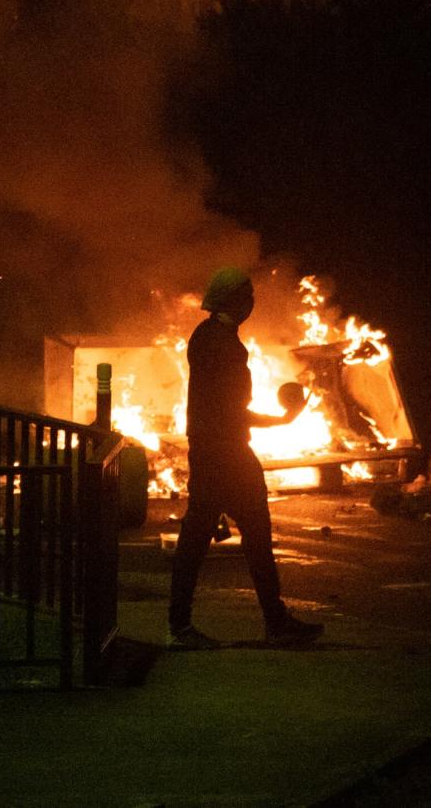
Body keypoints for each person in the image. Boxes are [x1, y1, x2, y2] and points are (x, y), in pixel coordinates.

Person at [168, 267, 325, 649]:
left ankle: (188, 624)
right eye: (248, 295)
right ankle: (267, 623)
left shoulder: (206, 336)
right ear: (236, 301)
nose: (253, 301)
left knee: (209, 538)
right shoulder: (224, 345)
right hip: (227, 455)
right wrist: (282, 420)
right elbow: (232, 410)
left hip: (213, 452)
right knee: (246, 537)